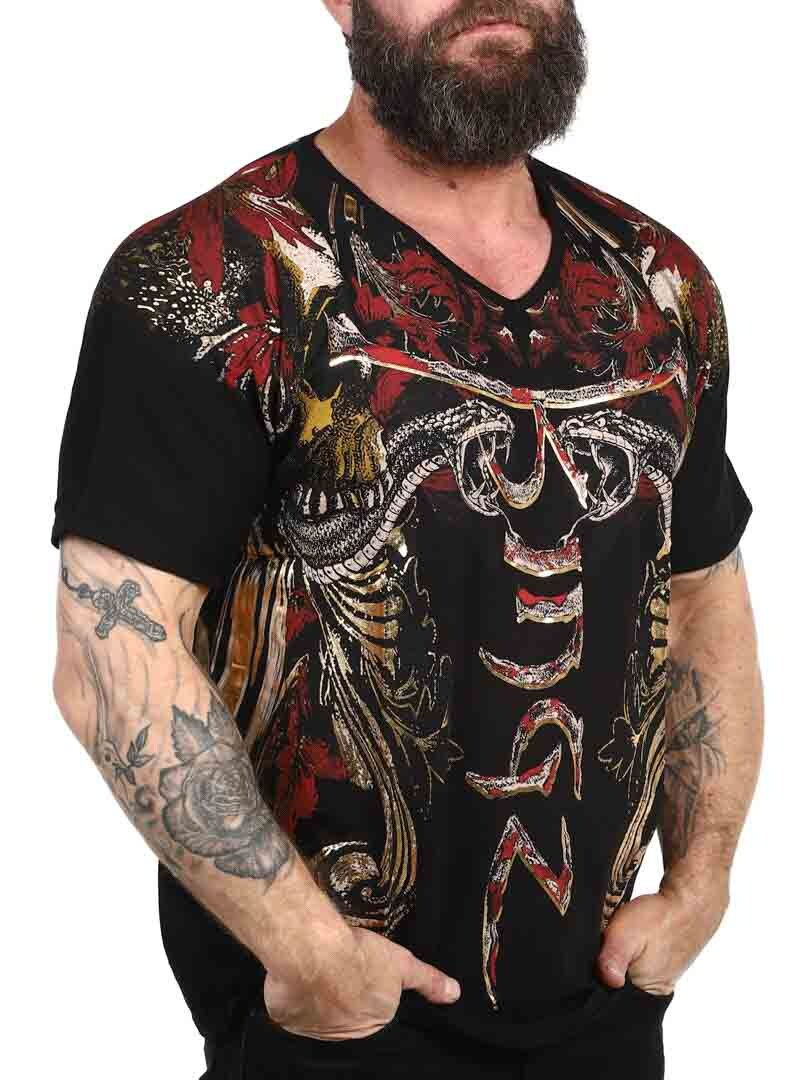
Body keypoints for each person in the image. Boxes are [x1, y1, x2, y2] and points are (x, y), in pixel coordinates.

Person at [50, 2, 763, 1078]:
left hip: (610, 1014)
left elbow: (702, 590)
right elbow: (114, 648)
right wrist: (310, 957)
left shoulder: (658, 284)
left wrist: (702, 884)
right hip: (330, 1029)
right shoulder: (218, 275)